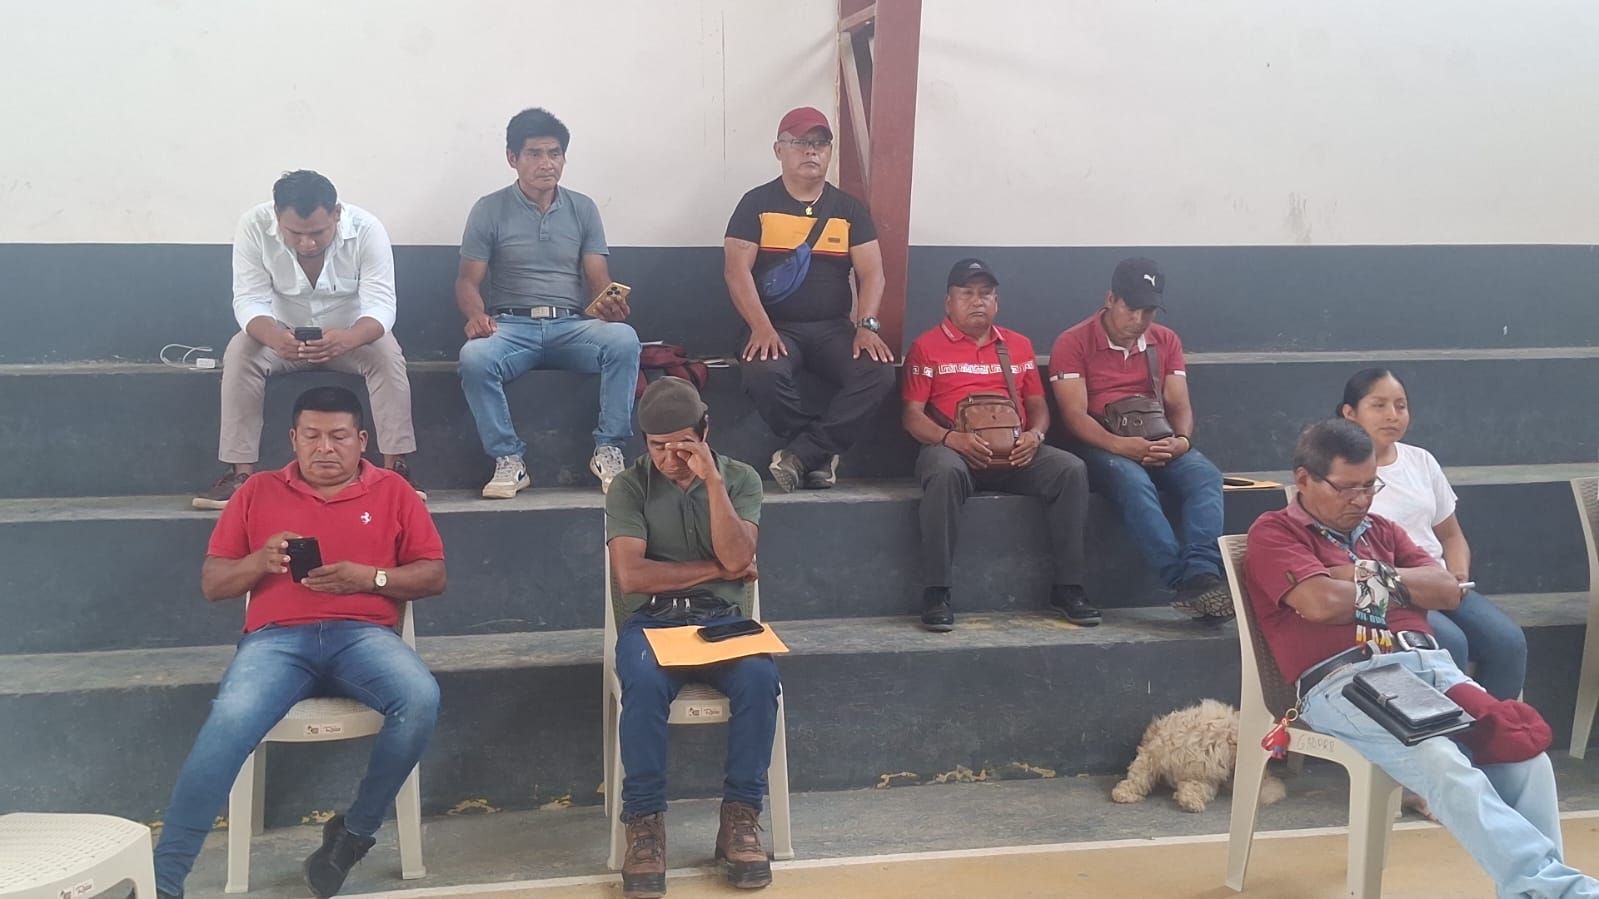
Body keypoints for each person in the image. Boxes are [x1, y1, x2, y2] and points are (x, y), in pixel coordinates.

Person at [1245, 419, 1598, 898]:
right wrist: (1400, 585)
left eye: (1370, 486)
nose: (1361, 500)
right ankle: (1563, 891)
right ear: (1303, 479)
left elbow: (1448, 590)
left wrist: (1356, 574)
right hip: (1351, 678)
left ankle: (1535, 892)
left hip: (1432, 665)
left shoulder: (1383, 530)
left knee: (1522, 752)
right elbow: (1320, 603)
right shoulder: (1274, 532)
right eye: (1347, 488)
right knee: (1442, 762)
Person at [155, 386, 446, 899]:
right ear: (293, 438)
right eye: (312, 436)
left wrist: (369, 578)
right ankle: (163, 880)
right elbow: (213, 584)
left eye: (338, 437)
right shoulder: (257, 491)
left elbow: (433, 575)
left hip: (363, 636)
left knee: (420, 697)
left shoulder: (394, 492)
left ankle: (353, 835)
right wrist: (258, 562)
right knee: (229, 717)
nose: (324, 448)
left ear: (362, 440)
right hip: (277, 642)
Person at [605, 377, 779, 897]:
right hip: (653, 618)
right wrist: (719, 569)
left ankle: (740, 817)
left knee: (760, 677)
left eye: (681, 445)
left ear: (705, 432)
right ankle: (644, 825)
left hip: (722, 619)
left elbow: (740, 553)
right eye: (657, 446)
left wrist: (713, 484)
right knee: (641, 683)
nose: (669, 458)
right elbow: (632, 577)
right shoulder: (629, 485)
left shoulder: (741, 479)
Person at [196, 171, 423, 510]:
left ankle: (396, 470)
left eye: (317, 233)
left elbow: (381, 305)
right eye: (295, 233)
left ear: (337, 214)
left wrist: (349, 338)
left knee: (387, 354)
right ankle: (239, 474)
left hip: (350, 335)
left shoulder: (367, 229)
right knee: (240, 351)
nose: (307, 243)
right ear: (277, 216)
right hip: (282, 335)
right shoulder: (253, 226)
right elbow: (248, 300)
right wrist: (275, 338)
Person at [456, 107, 641, 497]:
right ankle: (508, 459)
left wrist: (608, 306)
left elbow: (598, 277)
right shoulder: (489, 209)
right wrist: (476, 315)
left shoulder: (583, 208)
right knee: (474, 357)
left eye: (554, 154)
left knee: (624, 339)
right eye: (534, 153)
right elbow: (467, 281)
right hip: (510, 328)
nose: (547, 163)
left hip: (571, 326)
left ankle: (609, 450)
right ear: (513, 158)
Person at [902, 258, 1095, 632]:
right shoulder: (925, 347)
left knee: (1071, 469)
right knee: (942, 472)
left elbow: (1038, 407)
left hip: (1016, 452)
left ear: (997, 302)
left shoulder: (1018, 345)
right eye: (967, 293)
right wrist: (952, 439)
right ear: (948, 302)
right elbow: (912, 416)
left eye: (986, 294)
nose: (978, 301)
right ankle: (937, 591)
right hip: (954, 450)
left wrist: (1035, 436)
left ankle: (1069, 587)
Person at [724, 105, 896, 492]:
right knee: (763, 372)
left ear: (830, 152)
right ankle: (819, 452)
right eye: (800, 142)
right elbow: (736, 272)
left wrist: (867, 326)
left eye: (820, 143)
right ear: (778, 150)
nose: (811, 151)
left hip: (833, 329)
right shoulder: (755, 204)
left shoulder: (849, 210)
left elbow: (873, 272)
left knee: (878, 371)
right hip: (775, 327)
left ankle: (803, 453)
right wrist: (761, 328)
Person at [1050, 257, 1228, 617]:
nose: (1139, 319)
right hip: (1101, 441)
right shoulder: (1073, 342)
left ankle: (1202, 573)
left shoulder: (1166, 341)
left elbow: (1178, 403)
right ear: (1110, 299)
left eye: (1148, 311)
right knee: (1133, 482)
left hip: (1157, 437)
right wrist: (1119, 445)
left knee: (1206, 476)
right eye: (1131, 308)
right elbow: (1074, 416)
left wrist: (1182, 441)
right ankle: (1181, 580)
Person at [1337, 368, 1527, 699]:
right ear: (1350, 413)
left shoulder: (1421, 461)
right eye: (1379, 405)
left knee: (1508, 641)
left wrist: (1457, 574)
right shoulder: (1336, 470)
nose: (1392, 415)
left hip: (1437, 580)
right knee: (1450, 643)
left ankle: (1495, 728)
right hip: (1384, 589)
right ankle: (1451, 731)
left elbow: (1451, 535)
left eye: (1401, 405)